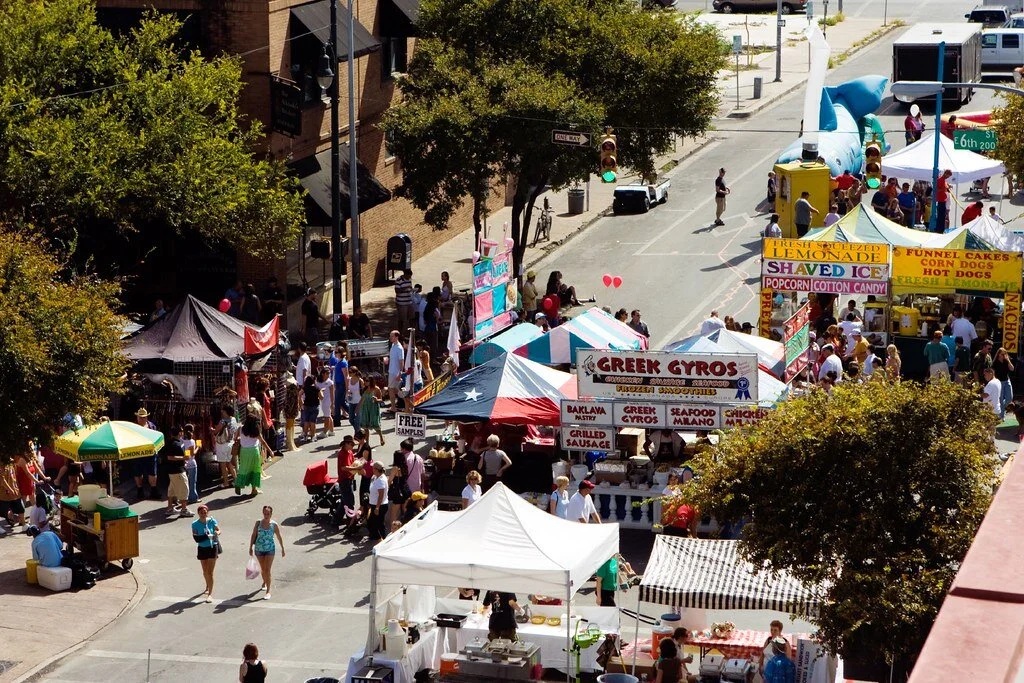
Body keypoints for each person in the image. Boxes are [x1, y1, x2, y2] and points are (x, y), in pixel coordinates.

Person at [248, 505, 285, 600]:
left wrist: (282, 548)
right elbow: (253, 535)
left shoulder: (274, 525)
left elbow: (279, 536)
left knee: (267, 570)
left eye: (268, 514)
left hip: (270, 549)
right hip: (259, 549)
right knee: (263, 569)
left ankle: (268, 590)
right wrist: (250, 547)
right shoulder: (258, 523)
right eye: (265, 513)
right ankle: (264, 581)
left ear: (271, 514)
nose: (266, 515)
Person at [235, 415, 271, 496]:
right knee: (255, 470)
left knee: (243, 468)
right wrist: (270, 451)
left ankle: (238, 483)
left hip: (244, 451)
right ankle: (254, 489)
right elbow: (263, 442)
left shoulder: (241, 428)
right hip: (254, 451)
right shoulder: (255, 430)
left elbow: (235, 438)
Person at [161, 426, 192, 517]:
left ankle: (170, 508)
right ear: (179, 433)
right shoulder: (174, 444)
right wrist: (183, 458)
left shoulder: (177, 442)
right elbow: (170, 457)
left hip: (175, 470)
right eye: (182, 431)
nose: (183, 433)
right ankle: (184, 509)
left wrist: (184, 459)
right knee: (184, 489)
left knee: (172, 490)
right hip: (177, 470)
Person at [191, 504, 220, 602]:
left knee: (210, 572)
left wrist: (217, 533)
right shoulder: (195, 524)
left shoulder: (212, 521)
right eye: (201, 512)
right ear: (198, 513)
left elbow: (218, 529)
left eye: (205, 512)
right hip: (202, 548)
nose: (203, 514)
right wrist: (207, 536)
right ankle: (207, 584)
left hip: (212, 547)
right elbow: (196, 538)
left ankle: (210, 594)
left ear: (207, 512)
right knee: (205, 571)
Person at [133, 408, 160, 500]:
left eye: (144, 417)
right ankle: (140, 490)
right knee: (138, 472)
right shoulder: (133, 427)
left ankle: (153, 490)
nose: (142, 419)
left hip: (151, 453)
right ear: (137, 417)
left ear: (147, 417)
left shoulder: (152, 426)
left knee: (152, 472)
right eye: (140, 417)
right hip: (138, 453)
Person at [214, 405, 238, 488]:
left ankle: (225, 482)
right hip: (231, 443)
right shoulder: (234, 419)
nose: (221, 412)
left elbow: (216, 431)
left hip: (222, 444)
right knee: (229, 463)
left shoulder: (222, 421)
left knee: (223, 464)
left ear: (226, 412)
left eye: (223, 411)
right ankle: (235, 480)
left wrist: (212, 430)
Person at [358, 376, 385, 446]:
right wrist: (357, 408)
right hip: (365, 409)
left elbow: (381, 399)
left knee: (376, 426)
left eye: (367, 381)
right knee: (365, 427)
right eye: (365, 381)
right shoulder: (365, 389)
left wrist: (376, 399)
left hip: (373, 409)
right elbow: (362, 399)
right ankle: (367, 443)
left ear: (371, 381)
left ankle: (381, 437)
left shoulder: (376, 389)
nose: (366, 382)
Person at [366, 461, 389, 542]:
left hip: (380, 505)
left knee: (375, 523)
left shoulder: (381, 480)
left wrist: (377, 507)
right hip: (374, 504)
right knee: (376, 523)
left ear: (376, 469)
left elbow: (381, 495)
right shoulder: (376, 477)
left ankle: (381, 539)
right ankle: (377, 538)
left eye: (373, 468)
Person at [386, 450, 410, 526]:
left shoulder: (395, 468)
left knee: (393, 514)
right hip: (405, 490)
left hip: (398, 492)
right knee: (404, 511)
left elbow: (390, 480)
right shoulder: (405, 467)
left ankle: (393, 532)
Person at [329, 346, 350, 424]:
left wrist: (347, 388)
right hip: (338, 383)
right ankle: (353, 414)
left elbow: (346, 376)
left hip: (341, 384)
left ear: (341, 353)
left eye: (337, 352)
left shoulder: (343, 363)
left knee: (338, 403)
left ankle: (337, 421)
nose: (335, 354)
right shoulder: (339, 361)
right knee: (341, 402)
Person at [386, 330, 405, 412]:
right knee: (396, 389)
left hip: (395, 372)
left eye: (392, 336)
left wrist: (400, 373)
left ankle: (394, 407)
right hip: (392, 370)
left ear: (396, 337)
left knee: (392, 389)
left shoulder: (399, 348)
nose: (390, 337)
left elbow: (401, 361)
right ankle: (405, 405)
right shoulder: (393, 345)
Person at [994, 347, 1015, 419]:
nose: (1003, 355)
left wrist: (1008, 360)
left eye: (1005, 354)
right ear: (999, 354)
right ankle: (1001, 416)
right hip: (999, 382)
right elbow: (992, 372)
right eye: (1002, 354)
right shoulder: (995, 362)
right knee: (1000, 398)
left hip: (1007, 380)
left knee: (1009, 398)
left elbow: (1012, 369)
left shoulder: (1006, 361)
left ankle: (1001, 406)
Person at [314, 366, 335, 438]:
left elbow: (332, 394)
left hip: (327, 401)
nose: (328, 374)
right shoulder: (318, 381)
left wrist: (332, 404)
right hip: (322, 401)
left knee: (327, 417)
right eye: (327, 373)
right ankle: (331, 431)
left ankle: (325, 432)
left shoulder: (330, 382)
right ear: (323, 374)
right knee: (328, 416)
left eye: (329, 373)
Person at [301, 375, 321, 443]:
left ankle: (305, 436)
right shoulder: (317, 388)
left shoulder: (305, 388)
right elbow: (321, 397)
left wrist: (301, 402)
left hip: (306, 405)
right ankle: (313, 436)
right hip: (315, 405)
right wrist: (321, 391)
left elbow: (299, 394)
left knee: (306, 421)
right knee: (313, 422)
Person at [395, 269, 415, 333]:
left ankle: (412, 331)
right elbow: (397, 291)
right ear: (405, 274)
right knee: (402, 319)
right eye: (408, 276)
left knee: (412, 317)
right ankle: (400, 332)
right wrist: (405, 288)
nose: (409, 278)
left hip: (409, 301)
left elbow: (410, 288)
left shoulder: (409, 280)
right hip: (402, 303)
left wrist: (413, 290)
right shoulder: (399, 280)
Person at [346, 366, 364, 435]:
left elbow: (364, 392)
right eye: (348, 372)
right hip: (351, 402)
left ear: (355, 372)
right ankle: (359, 430)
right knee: (351, 420)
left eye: (350, 372)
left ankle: (357, 435)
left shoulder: (360, 381)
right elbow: (347, 389)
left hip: (359, 402)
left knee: (357, 420)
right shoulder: (349, 380)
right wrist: (348, 391)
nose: (349, 373)